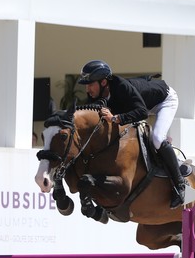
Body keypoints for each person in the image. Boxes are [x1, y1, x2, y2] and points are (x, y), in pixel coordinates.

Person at [77, 60, 185, 208]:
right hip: (140, 104)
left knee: (157, 138)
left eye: (90, 84)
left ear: (103, 82)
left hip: (164, 100)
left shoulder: (121, 87)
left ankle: (180, 185)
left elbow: (141, 112)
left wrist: (116, 118)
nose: (87, 89)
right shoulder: (95, 94)